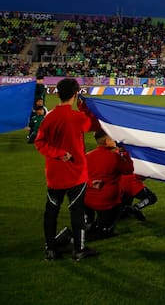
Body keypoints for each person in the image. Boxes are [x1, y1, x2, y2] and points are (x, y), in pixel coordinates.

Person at [34, 78, 98, 261]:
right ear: (76, 94)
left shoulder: (49, 117)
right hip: (76, 173)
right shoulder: (78, 117)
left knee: (51, 212)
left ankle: (50, 250)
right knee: (77, 212)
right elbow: (94, 124)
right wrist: (85, 108)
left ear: (57, 94)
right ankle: (79, 250)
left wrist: (58, 153)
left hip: (55, 174)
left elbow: (40, 142)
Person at [84, 130, 134, 239]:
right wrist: (125, 154)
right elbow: (128, 170)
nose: (115, 140)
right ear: (107, 142)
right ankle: (77, 238)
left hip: (87, 200)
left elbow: (79, 178)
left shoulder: (87, 156)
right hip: (108, 202)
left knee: (94, 225)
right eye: (113, 138)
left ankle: (90, 227)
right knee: (105, 231)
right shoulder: (114, 157)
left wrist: (91, 184)